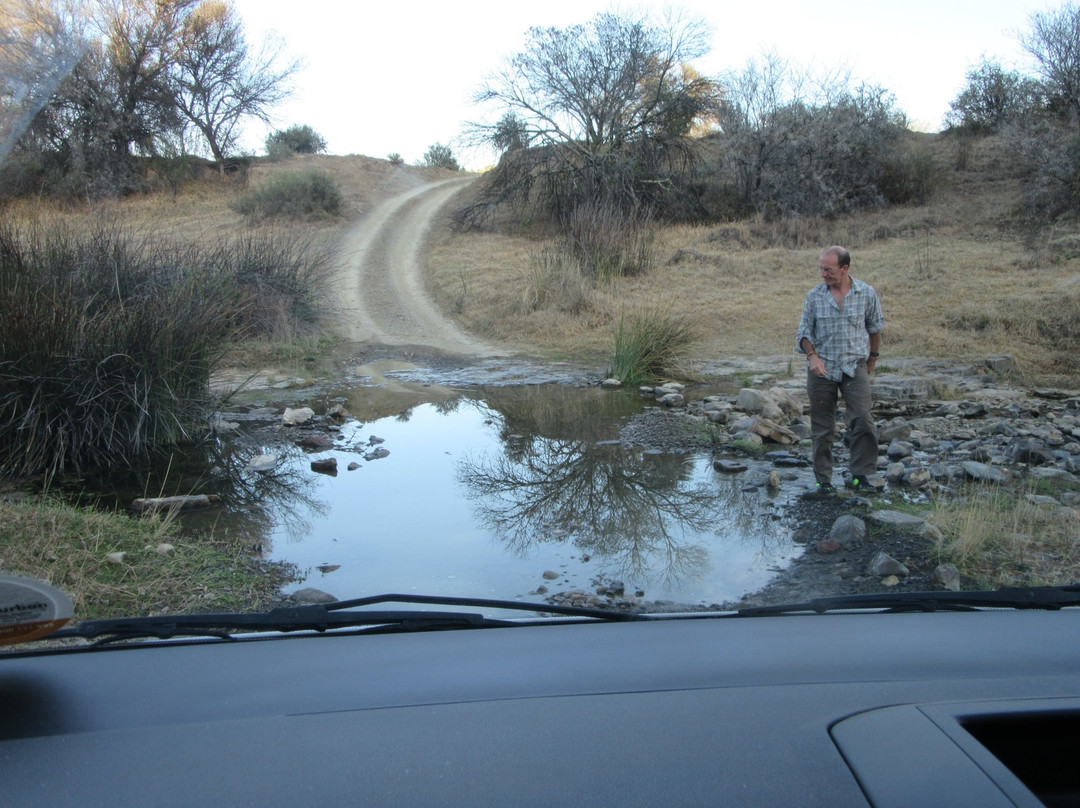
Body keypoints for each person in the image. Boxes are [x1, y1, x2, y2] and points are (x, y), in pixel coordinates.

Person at [796, 246, 884, 494]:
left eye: (828, 269)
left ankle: (860, 475)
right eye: (821, 268)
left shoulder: (865, 293)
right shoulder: (814, 296)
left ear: (844, 269)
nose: (823, 273)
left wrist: (873, 358)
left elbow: (875, 327)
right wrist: (812, 357)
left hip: (854, 366)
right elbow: (803, 333)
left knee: (863, 421)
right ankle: (823, 481)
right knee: (823, 427)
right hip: (822, 369)